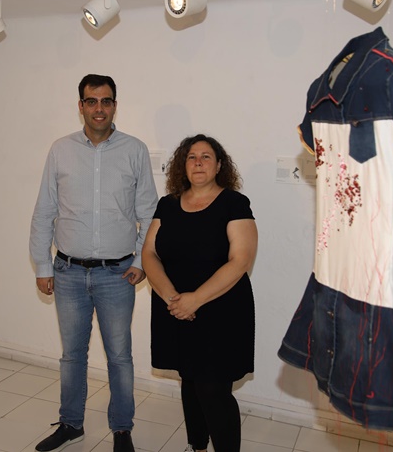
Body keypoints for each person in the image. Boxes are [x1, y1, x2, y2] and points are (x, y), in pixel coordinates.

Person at [30, 74, 158, 452]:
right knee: (72, 357)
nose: (98, 108)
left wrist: (141, 260)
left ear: (115, 105)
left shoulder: (134, 150)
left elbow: (150, 214)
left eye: (106, 101)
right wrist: (42, 266)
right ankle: (71, 424)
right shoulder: (60, 150)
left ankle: (122, 429)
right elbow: (44, 212)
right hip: (67, 272)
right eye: (91, 101)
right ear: (81, 106)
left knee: (120, 358)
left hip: (117, 275)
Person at [141, 134, 258, 452]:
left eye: (206, 157)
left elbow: (241, 260)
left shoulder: (235, 204)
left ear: (219, 166)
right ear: (183, 165)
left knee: (213, 388)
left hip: (221, 309)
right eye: (191, 157)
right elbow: (149, 253)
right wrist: (172, 298)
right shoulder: (167, 204)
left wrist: (195, 299)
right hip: (175, 306)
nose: (198, 162)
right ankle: (198, 445)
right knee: (190, 379)